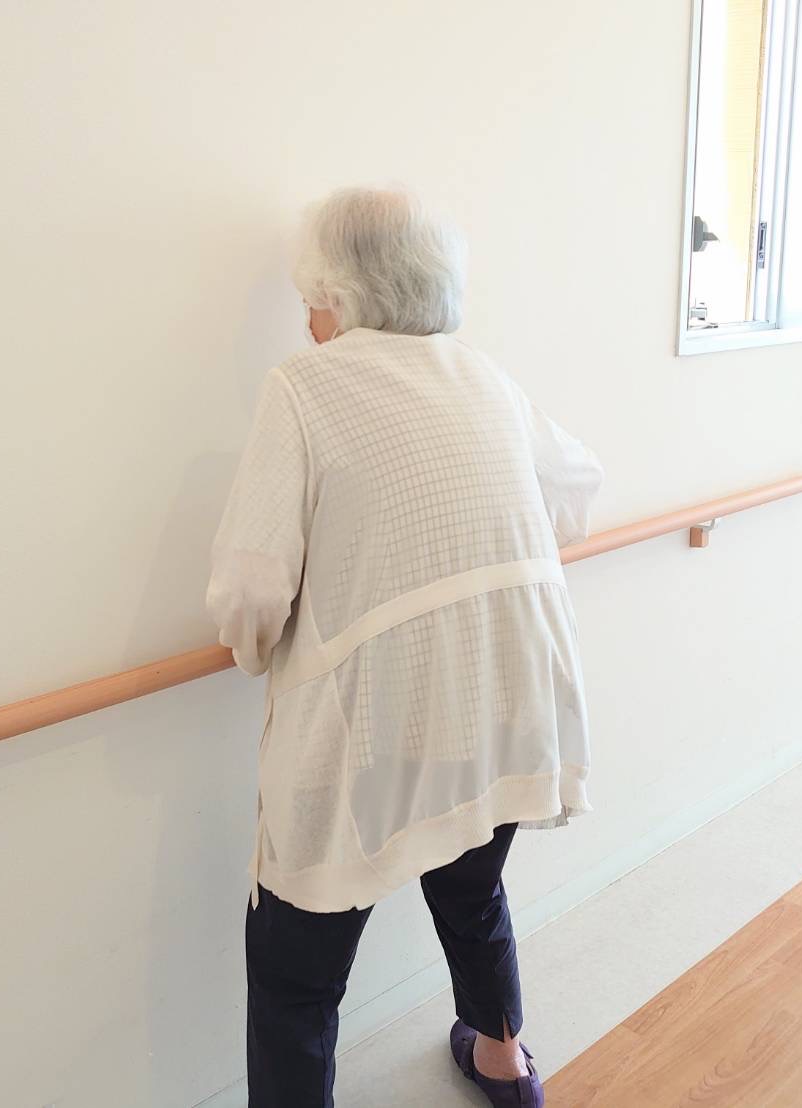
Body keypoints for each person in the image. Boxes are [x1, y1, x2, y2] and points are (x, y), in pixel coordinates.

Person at [207, 186, 603, 1108]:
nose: (307, 322)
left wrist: (257, 650)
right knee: (470, 880)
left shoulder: (303, 387)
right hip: (504, 697)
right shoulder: (481, 377)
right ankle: (503, 1062)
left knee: (296, 971)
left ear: (342, 294)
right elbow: (577, 486)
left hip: (375, 717)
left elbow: (250, 591)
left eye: (310, 299)